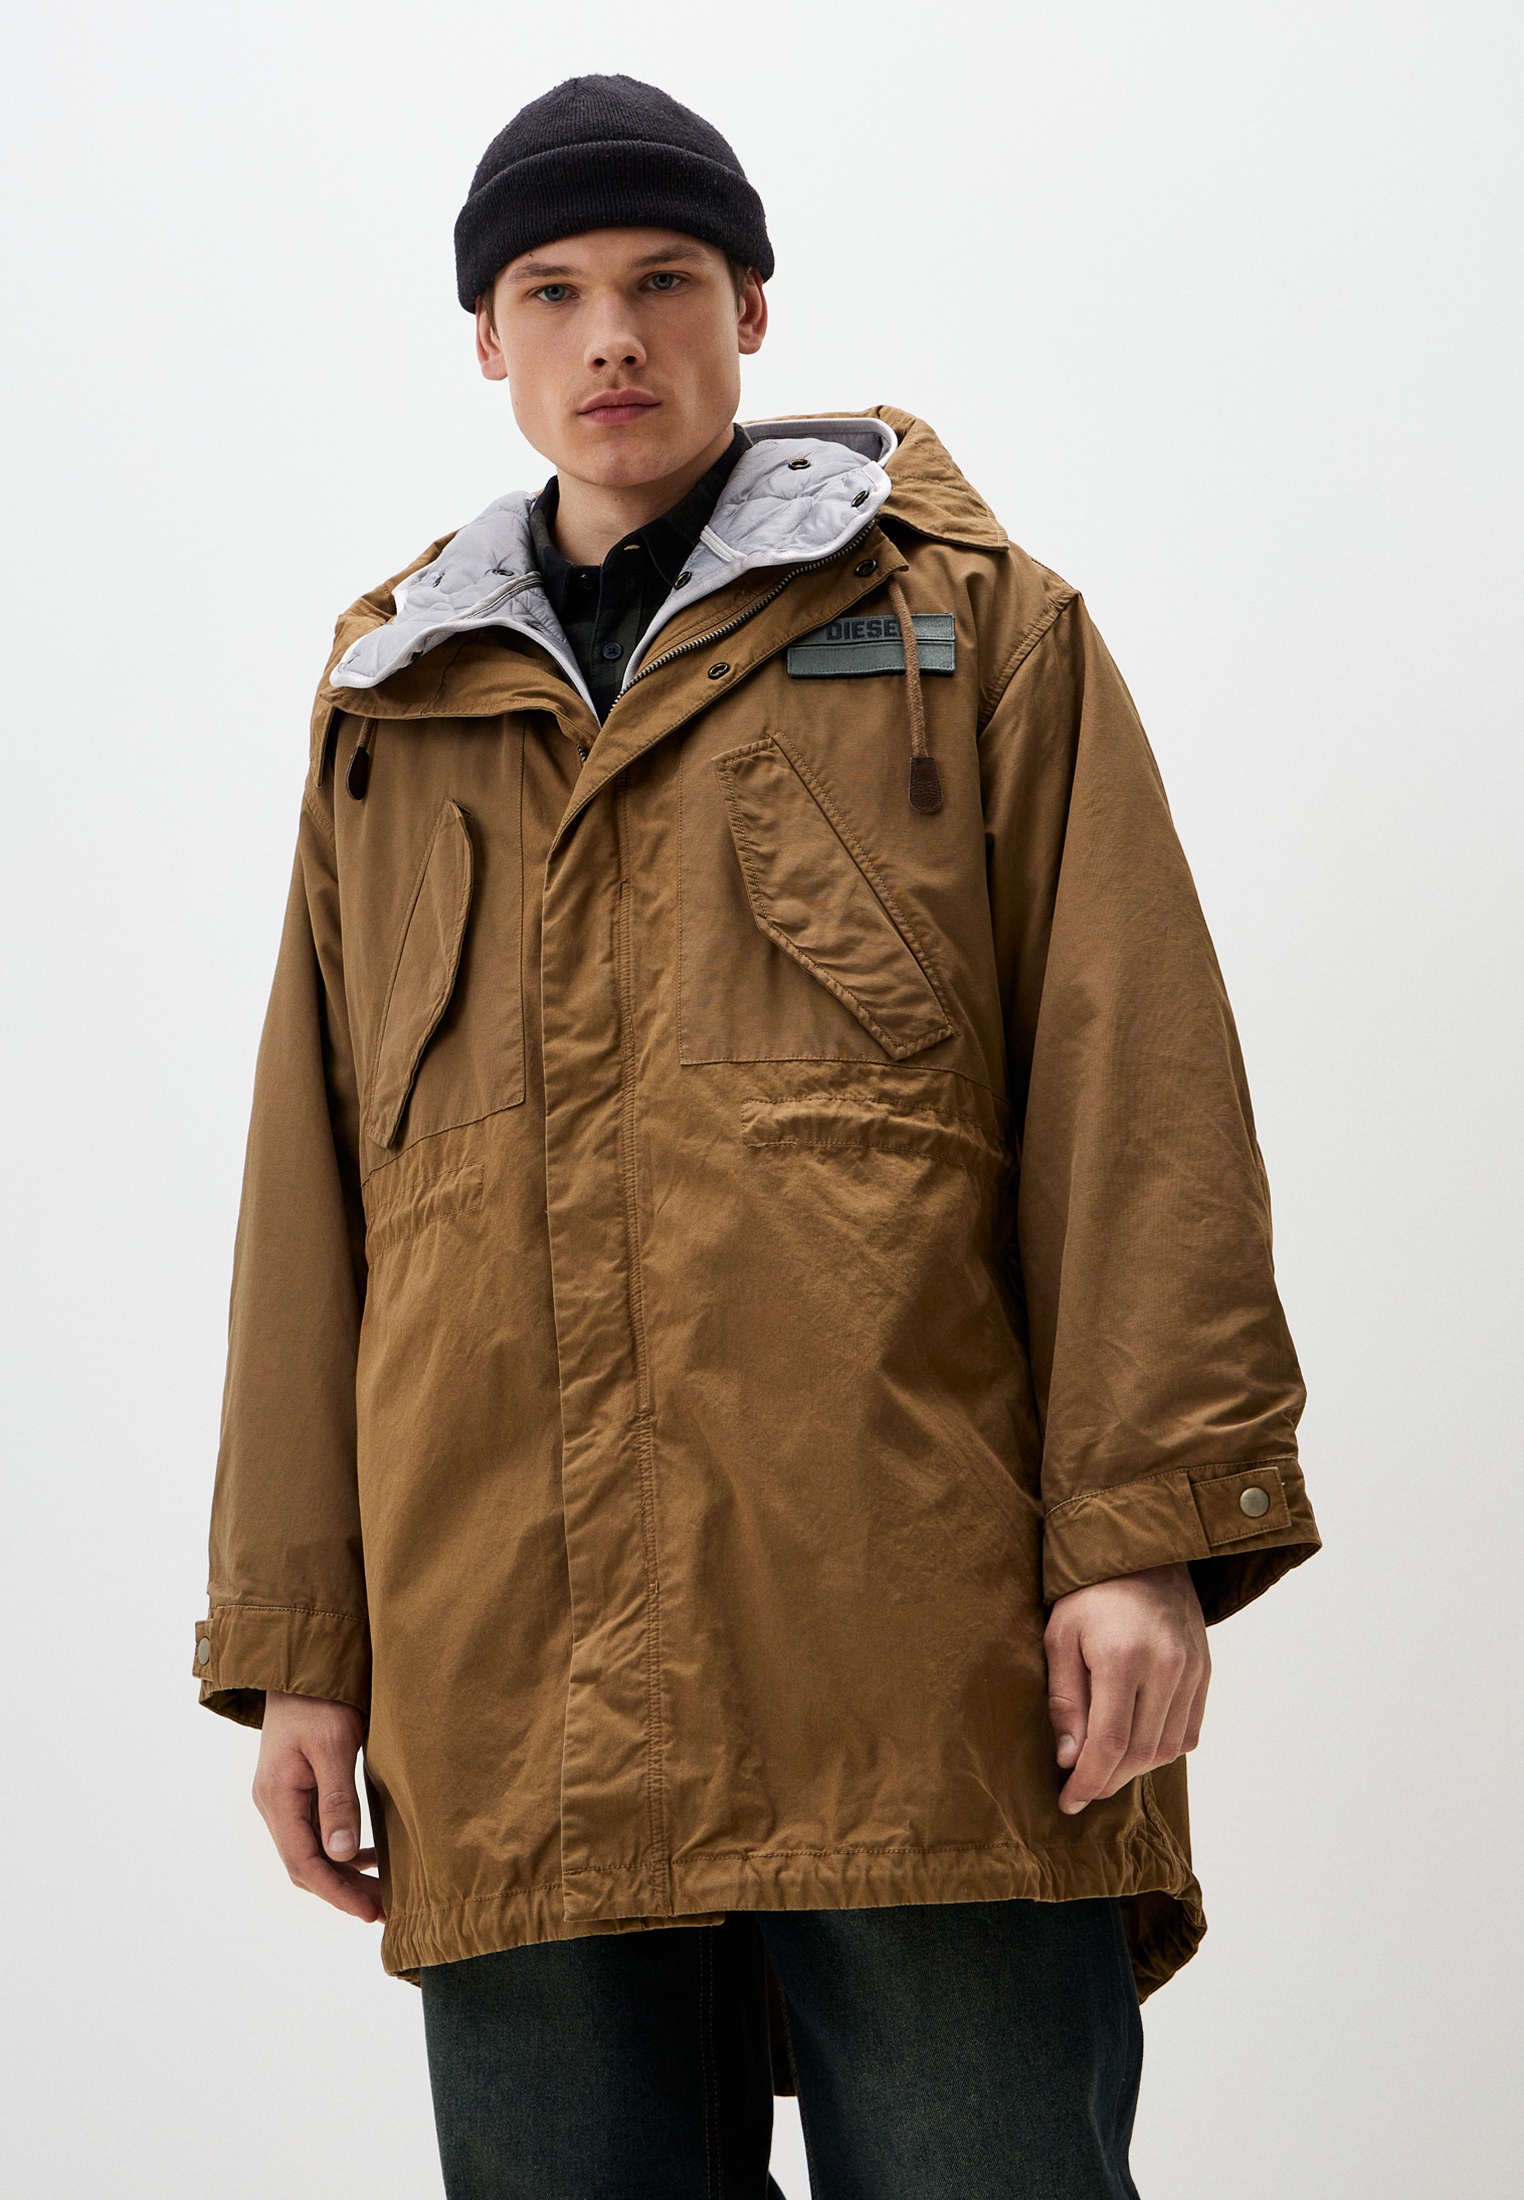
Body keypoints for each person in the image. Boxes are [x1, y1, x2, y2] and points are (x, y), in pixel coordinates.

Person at [194, 73, 1320, 2200]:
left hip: (923, 1650)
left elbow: (1136, 1084)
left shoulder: (978, 625)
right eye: (553, 291)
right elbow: (311, 1202)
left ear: (754, 310)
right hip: (511, 1676)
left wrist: (1145, 1531)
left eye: (665, 281)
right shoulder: (390, 708)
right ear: (487, 340)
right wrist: (301, 1648)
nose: (611, 335)